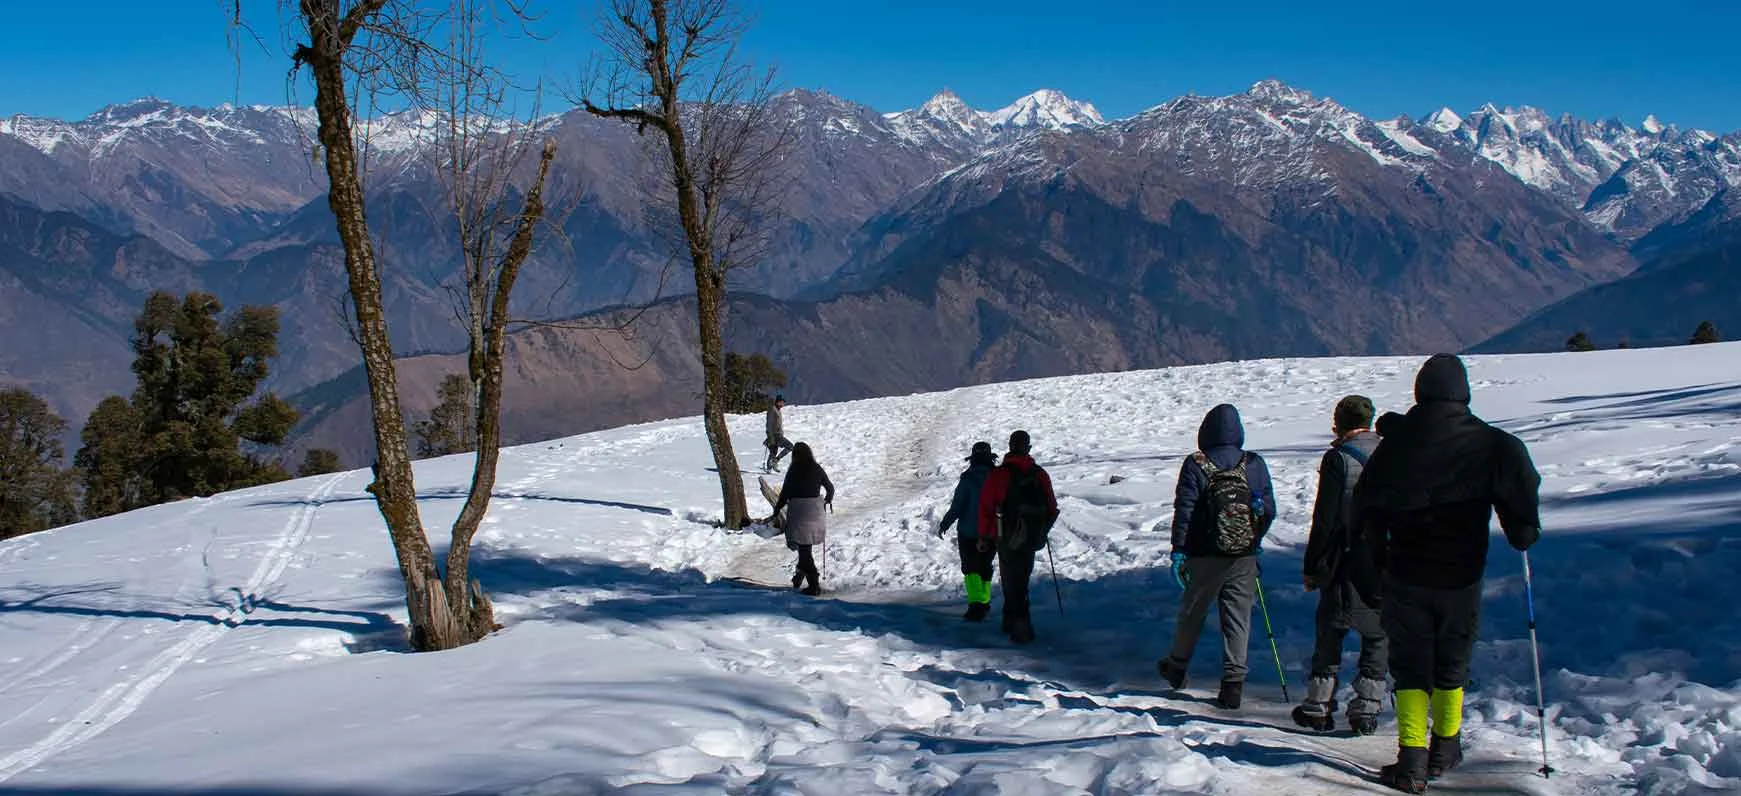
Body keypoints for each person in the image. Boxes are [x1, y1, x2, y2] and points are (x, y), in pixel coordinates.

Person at [1354, 354, 1541, 793]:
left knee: (1412, 669)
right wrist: (1522, 530)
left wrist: (1372, 565)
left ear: (1420, 393)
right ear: (1463, 394)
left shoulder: (1395, 447)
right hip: (1462, 575)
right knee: (1452, 664)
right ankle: (1446, 747)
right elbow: (1521, 511)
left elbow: (1364, 509)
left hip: (1405, 574)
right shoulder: (1493, 445)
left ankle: (1412, 760)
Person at [1157, 404, 1277, 710]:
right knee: (1238, 618)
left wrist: (1179, 551)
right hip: (1244, 554)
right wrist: (1255, 540)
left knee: (1192, 613)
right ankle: (1233, 684)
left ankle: (1177, 667)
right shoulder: (1254, 463)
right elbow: (1268, 509)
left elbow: (1185, 510)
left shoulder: (1196, 463)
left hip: (1204, 554)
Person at [1293, 395, 1388, 735]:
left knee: (1331, 630)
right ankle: (1367, 707)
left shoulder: (1339, 459)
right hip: (1382, 561)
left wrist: (1313, 565)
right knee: (1377, 635)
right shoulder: (1390, 451)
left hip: (1343, 559)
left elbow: (1325, 519)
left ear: (1339, 422)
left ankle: (1318, 705)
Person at [975, 430, 1058, 644]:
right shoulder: (1039, 474)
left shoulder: (1000, 474)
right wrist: (1041, 530)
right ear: (1028, 447)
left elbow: (986, 506)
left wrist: (984, 536)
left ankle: (1018, 624)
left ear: (1010, 446)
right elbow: (1051, 507)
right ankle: (1014, 620)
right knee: (1022, 577)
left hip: (1005, 535)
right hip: (1031, 536)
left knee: (1010, 578)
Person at [938, 441, 1000, 621]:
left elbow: (958, 505)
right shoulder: (998, 477)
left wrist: (946, 523)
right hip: (991, 531)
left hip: (968, 531)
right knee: (985, 567)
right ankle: (985, 601)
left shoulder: (968, 478)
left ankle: (976, 606)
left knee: (970, 568)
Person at [772, 442, 835, 596]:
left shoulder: (794, 470)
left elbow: (785, 492)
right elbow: (830, 489)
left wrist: (777, 509)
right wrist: (826, 501)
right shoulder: (817, 468)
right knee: (805, 549)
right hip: (816, 513)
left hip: (799, 514)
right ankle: (798, 577)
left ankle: (814, 585)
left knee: (804, 550)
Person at [765, 395, 795, 473]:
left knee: (773, 451)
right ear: (778, 402)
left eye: (783, 403)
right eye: (782, 402)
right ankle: (775, 461)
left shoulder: (777, 410)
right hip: (775, 435)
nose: (783, 404)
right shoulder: (773, 410)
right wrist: (770, 437)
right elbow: (769, 424)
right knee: (790, 446)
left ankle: (769, 468)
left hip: (777, 434)